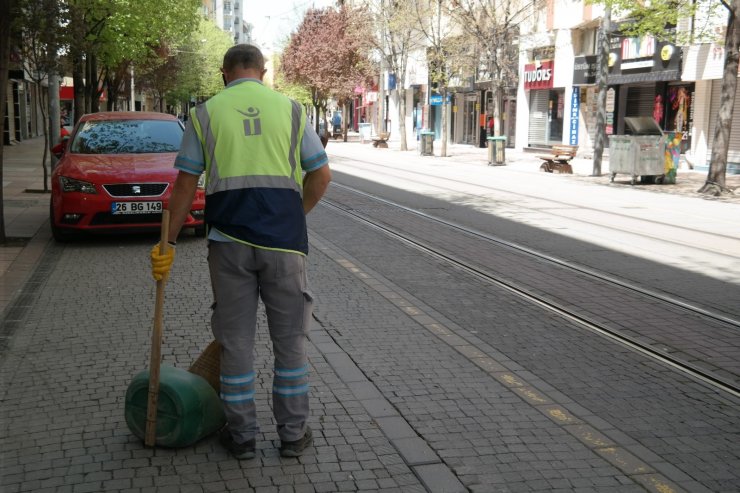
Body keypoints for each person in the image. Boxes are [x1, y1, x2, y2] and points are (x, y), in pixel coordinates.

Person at [150, 44, 331, 460]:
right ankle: (292, 435)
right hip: (284, 247)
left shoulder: (205, 113)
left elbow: (184, 187)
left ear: (223, 73)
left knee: (235, 343)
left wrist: (168, 244)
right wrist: (291, 217)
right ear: (264, 72)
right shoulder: (291, 110)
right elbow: (320, 175)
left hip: (228, 245)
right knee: (290, 342)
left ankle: (242, 436)